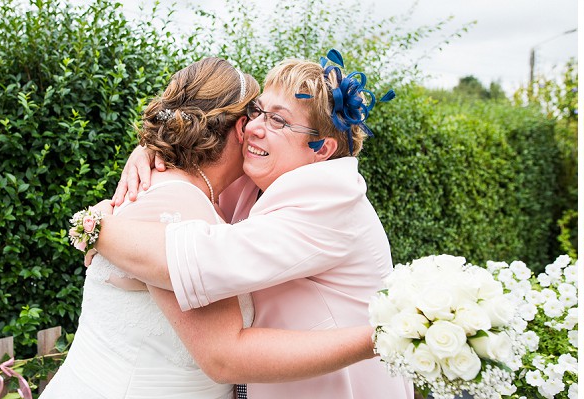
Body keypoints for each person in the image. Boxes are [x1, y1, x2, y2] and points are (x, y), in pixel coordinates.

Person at [42, 58, 380, 398]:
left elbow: (206, 259)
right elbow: (187, 168)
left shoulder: (328, 197)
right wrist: (149, 150)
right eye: (256, 112)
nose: (253, 128)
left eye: (277, 120)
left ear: (322, 148)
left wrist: (97, 228)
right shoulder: (236, 184)